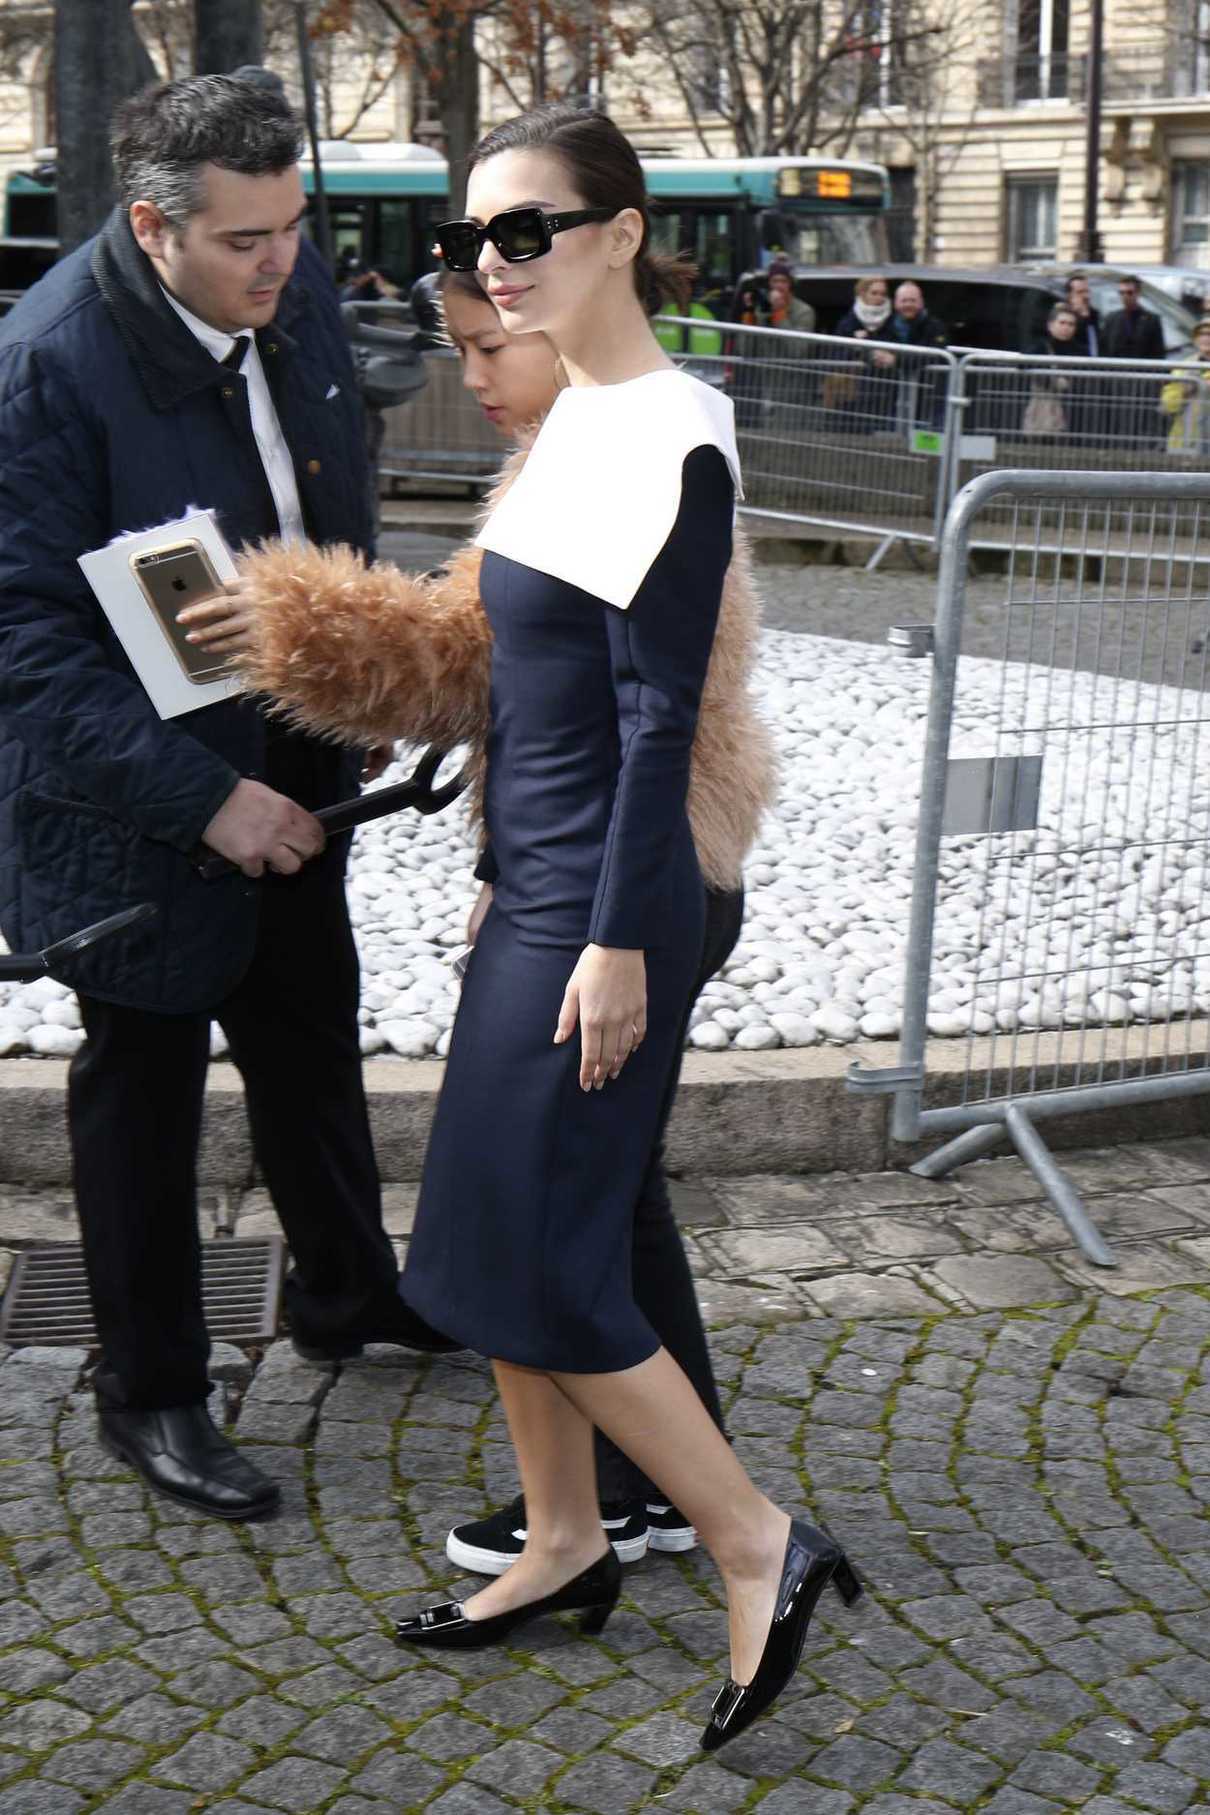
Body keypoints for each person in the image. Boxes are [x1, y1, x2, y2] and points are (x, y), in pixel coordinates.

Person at [237, 100, 862, 1751]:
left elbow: (660, 718)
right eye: (468, 241)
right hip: (539, 890)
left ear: (618, 236)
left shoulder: (672, 431)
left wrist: (612, 940)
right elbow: (533, 685)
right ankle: (567, 1535)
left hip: (612, 906)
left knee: (547, 1261)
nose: (487, 268)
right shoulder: (573, 423)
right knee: (479, 1247)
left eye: (523, 233)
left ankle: (750, 1542)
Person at [200, 259, 770, 1573]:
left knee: (545, 1215)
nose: (472, 377)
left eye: (483, 347)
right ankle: (649, 1495)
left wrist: (278, 620)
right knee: (607, 1195)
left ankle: (706, 1519)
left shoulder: (623, 456)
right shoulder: (596, 450)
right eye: (457, 347)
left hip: (629, 884)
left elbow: (481, 668)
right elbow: (537, 704)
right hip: (615, 871)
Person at [0, 75, 456, 1526]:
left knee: (311, 1026)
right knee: (139, 1093)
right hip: (135, 811)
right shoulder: (47, 368)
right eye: (250, 239)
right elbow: (22, 648)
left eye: (295, 227)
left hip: (297, 755)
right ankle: (152, 1389)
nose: (285, 263)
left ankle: (343, 1289)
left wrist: (364, 673)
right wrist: (207, 801)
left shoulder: (288, 289)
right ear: (154, 225)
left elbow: (329, 492)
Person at [1021, 302, 1081, 439]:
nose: (1067, 327)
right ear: (1050, 325)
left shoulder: (1078, 350)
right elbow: (1022, 362)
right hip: (1044, 409)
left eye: (1071, 324)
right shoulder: (1041, 347)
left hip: (1072, 411)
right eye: (1062, 323)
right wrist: (1050, 379)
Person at [1161, 316, 1210, 455]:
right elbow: (1167, 405)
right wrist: (1184, 391)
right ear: (1195, 339)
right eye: (1202, 334)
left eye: (1209, 334)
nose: (1206, 338)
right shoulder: (1183, 367)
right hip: (1184, 443)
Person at [1064, 271, 1101, 357]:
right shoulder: (1064, 318)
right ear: (1070, 295)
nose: (1086, 296)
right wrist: (1081, 318)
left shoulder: (1094, 315)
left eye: (1087, 291)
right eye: (1080, 292)